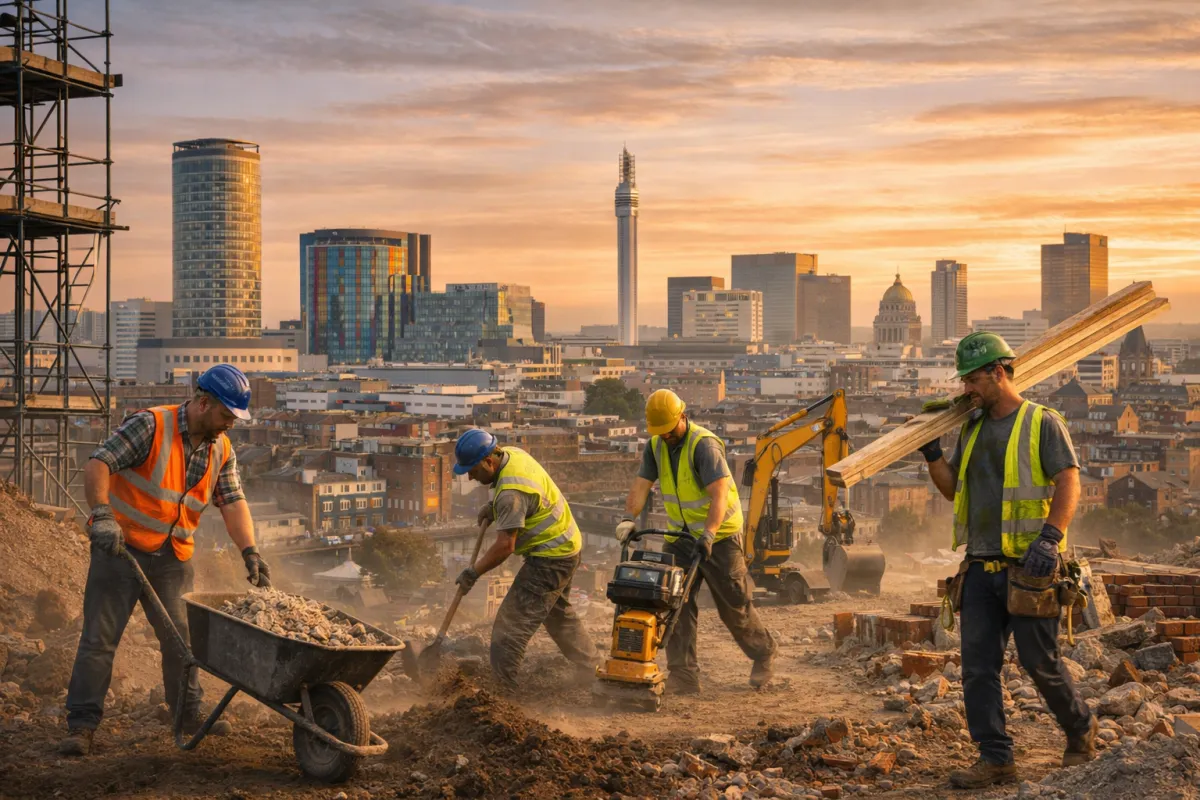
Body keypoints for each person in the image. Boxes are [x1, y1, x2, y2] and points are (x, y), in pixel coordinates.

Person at [59, 365, 271, 756]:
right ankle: (82, 726)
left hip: (172, 557)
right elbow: (99, 463)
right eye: (226, 415)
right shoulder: (151, 426)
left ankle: (188, 716)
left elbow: (232, 501)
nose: (231, 425)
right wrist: (101, 515)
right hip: (119, 550)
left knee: (181, 641)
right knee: (100, 640)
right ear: (203, 403)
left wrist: (250, 551)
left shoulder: (221, 448)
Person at [919, 332, 1095, 788]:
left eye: (972, 380)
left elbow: (1068, 481)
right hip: (980, 567)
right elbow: (955, 489)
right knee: (978, 669)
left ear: (998, 372)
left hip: (1030, 566)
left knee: (1041, 662)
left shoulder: (1042, 422)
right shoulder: (972, 428)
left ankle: (1080, 730)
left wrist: (1050, 538)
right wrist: (934, 456)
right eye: (963, 382)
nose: (966, 390)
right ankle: (996, 758)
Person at [617, 389, 776, 694]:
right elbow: (641, 485)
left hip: (721, 536)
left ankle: (764, 652)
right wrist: (628, 518)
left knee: (734, 606)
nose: (665, 437)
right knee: (674, 603)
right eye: (659, 432)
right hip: (681, 537)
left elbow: (718, 495)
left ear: (682, 417)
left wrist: (709, 534)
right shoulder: (656, 446)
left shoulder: (703, 446)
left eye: (668, 430)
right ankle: (684, 676)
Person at [452, 428, 596, 690]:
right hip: (568, 546)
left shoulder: (510, 494)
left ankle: (502, 695)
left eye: (472, 469)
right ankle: (592, 670)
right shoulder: (513, 455)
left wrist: (473, 572)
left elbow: (505, 546)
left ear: (489, 461)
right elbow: (519, 496)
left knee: (509, 629)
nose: (470, 476)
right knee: (557, 615)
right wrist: (495, 508)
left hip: (551, 558)